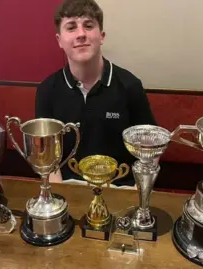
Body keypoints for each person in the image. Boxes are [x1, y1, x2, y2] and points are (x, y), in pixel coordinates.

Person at [35, 0, 156, 186]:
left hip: (121, 190)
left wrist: (137, 196)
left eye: (89, 26)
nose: (81, 34)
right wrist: (60, 197)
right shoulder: (47, 90)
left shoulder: (130, 85)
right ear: (59, 40)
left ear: (102, 36)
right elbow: (46, 156)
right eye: (71, 27)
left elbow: (151, 150)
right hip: (69, 190)